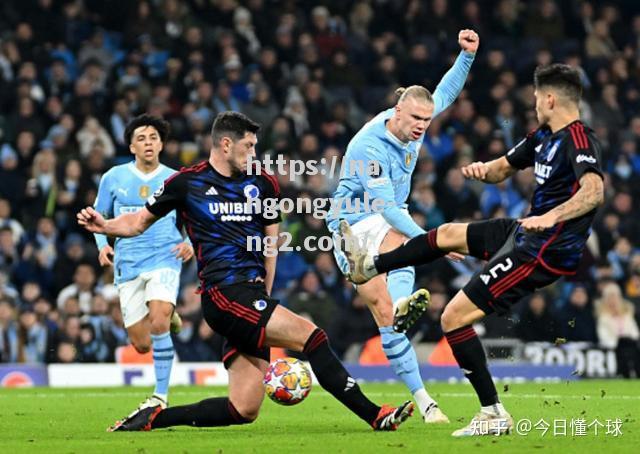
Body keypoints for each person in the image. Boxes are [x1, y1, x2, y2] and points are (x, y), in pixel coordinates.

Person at [78, 111, 414, 432]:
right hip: (222, 294)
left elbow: (271, 246)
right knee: (314, 337)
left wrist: (264, 297)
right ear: (225, 145)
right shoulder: (185, 183)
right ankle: (375, 415)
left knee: (242, 409)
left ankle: (154, 418)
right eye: (248, 146)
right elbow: (137, 222)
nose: (254, 152)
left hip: (250, 296)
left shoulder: (263, 183)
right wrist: (105, 225)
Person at [341, 63, 605, 436]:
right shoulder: (544, 136)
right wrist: (483, 169)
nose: (533, 104)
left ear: (549, 98)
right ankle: (371, 265)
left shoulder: (580, 140)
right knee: (448, 232)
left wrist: (551, 217)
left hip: (545, 249)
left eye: (535, 98)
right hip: (525, 234)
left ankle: (493, 412)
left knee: (452, 318)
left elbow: (594, 191)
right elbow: (504, 168)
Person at [326, 29, 479, 423]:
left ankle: (424, 401)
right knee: (401, 248)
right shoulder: (369, 146)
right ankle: (398, 306)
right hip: (351, 225)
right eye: (414, 119)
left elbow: (444, 93)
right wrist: (434, 242)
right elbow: (389, 210)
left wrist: (466, 57)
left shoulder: (419, 119)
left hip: (380, 220)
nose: (421, 127)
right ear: (397, 112)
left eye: (426, 121)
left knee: (389, 319)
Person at [93, 114, 194, 425]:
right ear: (131, 146)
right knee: (141, 343)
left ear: (161, 144)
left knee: (159, 318)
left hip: (165, 256)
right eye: (142, 138)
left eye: (153, 137)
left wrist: (189, 241)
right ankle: (170, 317)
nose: (148, 142)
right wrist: (103, 245)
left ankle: (160, 395)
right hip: (128, 262)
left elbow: (194, 217)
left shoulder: (176, 179)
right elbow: (99, 216)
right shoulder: (113, 177)